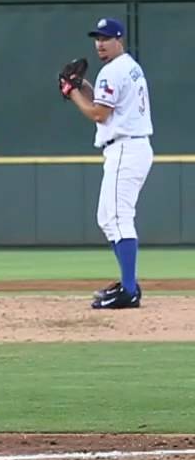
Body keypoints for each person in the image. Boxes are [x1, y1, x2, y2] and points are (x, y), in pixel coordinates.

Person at [63, 18, 154, 309]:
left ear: (119, 39)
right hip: (132, 146)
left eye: (106, 38)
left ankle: (129, 290)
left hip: (126, 148)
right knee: (108, 218)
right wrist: (84, 85)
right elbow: (106, 104)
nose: (100, 43)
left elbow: (98, 114)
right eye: (97, 38)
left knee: (118, 218)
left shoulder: (112, 71)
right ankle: (128, 284)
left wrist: (72, 92)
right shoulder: (128, 67)